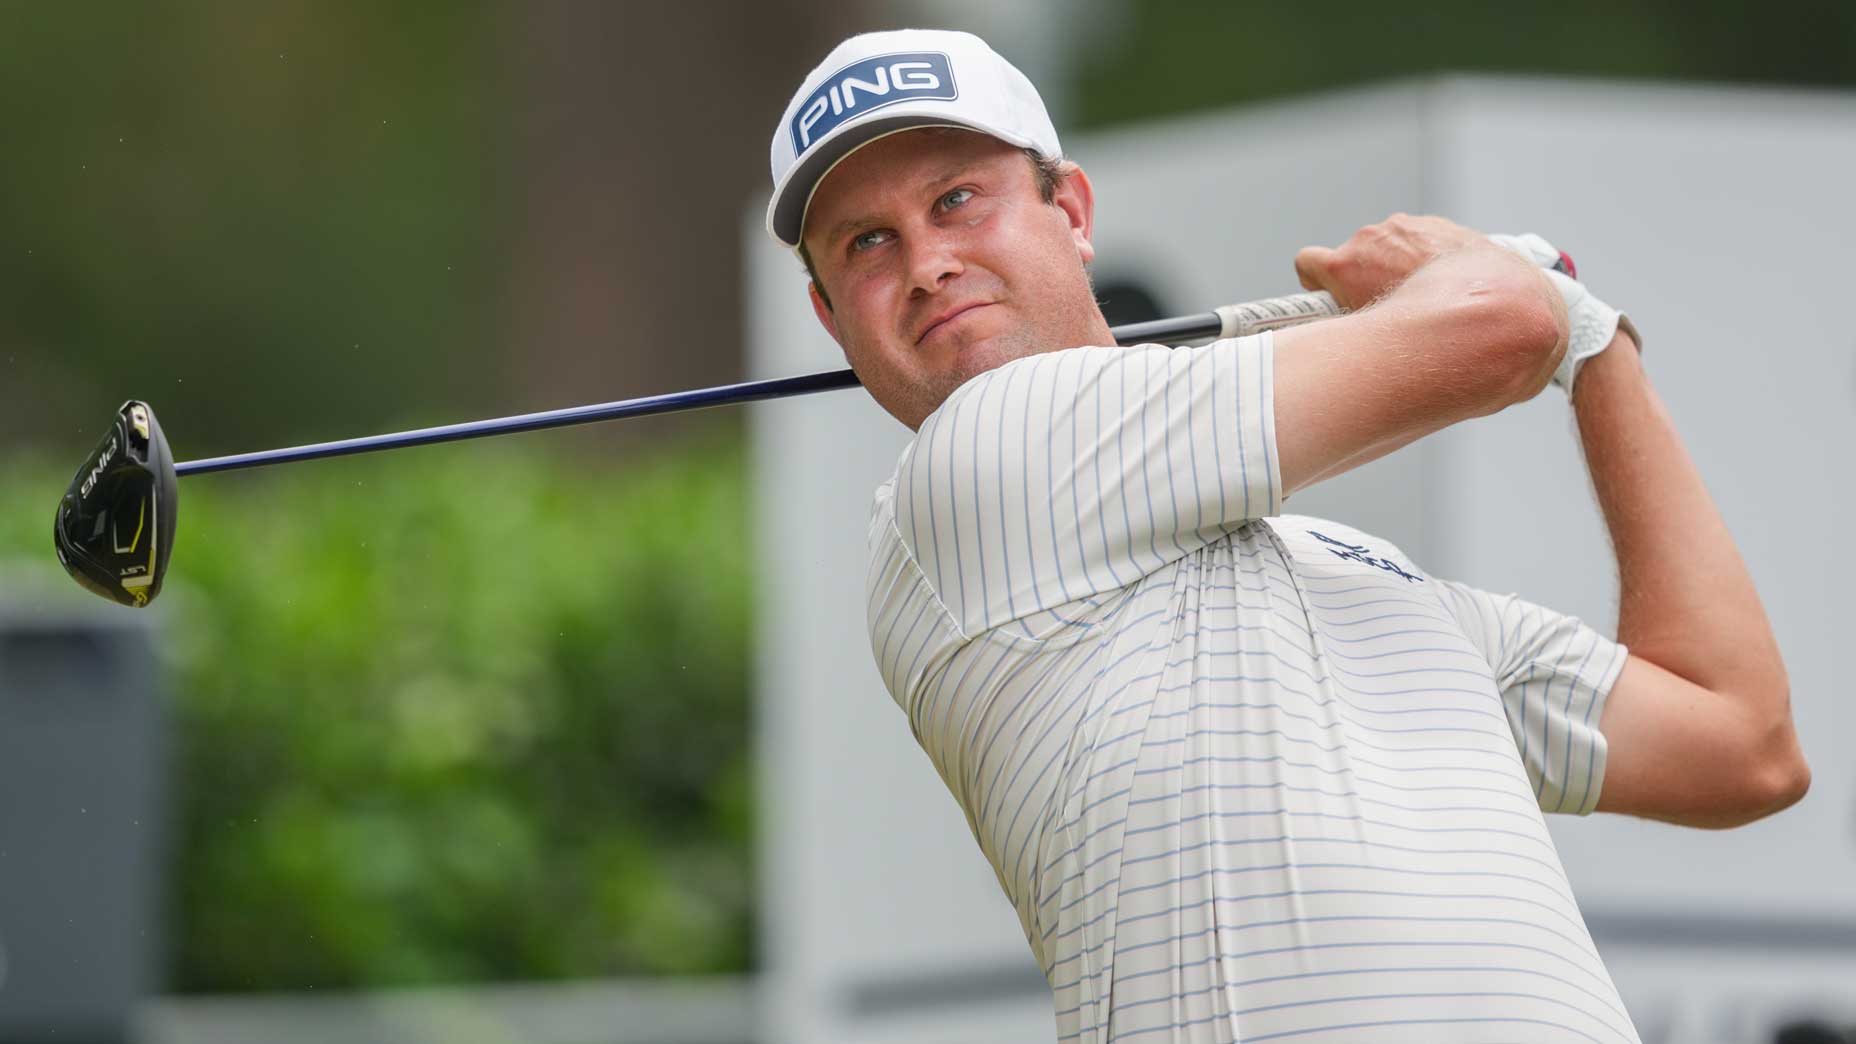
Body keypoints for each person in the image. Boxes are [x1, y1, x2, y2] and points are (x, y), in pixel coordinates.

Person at [765, 29, 1808, 1043]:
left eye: (955, 200)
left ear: (1070, 210)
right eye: (868, 242)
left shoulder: (1362, 575)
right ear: (827, 316)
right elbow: (1499, 328)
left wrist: (1596, 345)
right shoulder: (977, 461)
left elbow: (1738, 745)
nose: (927, 264)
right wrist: (1491, 283)